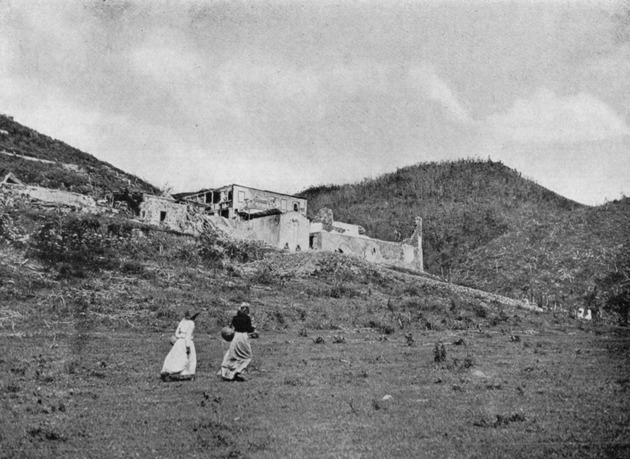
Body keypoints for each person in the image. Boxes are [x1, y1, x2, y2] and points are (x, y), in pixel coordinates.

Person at [218, 303, 256, 381]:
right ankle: (237, 371)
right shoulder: (247, 318)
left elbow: (231, 327)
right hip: (243, 337)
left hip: (235, 337)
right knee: (246, 356)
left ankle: (227, 372)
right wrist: (253, 328)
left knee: (232, 354)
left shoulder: (235, 318)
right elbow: (248, 329)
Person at [161, 311, 200, 381]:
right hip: (187, 342)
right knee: (190, 359)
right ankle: (188, 374)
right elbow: (188, 336)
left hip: (179, 342)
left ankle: (168, 370)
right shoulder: (191, 323)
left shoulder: (183, 321)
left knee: (176, 357)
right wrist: (188, 347)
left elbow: (176, 332)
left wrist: (178, 339)